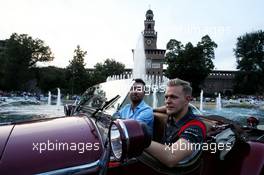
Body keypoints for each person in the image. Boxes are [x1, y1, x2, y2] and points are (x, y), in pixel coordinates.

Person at [145, 78, 206, 168]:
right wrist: (152, 110)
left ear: (187, 100)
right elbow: (166, 108)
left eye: (173, 97)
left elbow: (171, 157)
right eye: (166, 97)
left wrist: (140, 141)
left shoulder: (195, 127)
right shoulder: (172, 114)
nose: (167, 101)